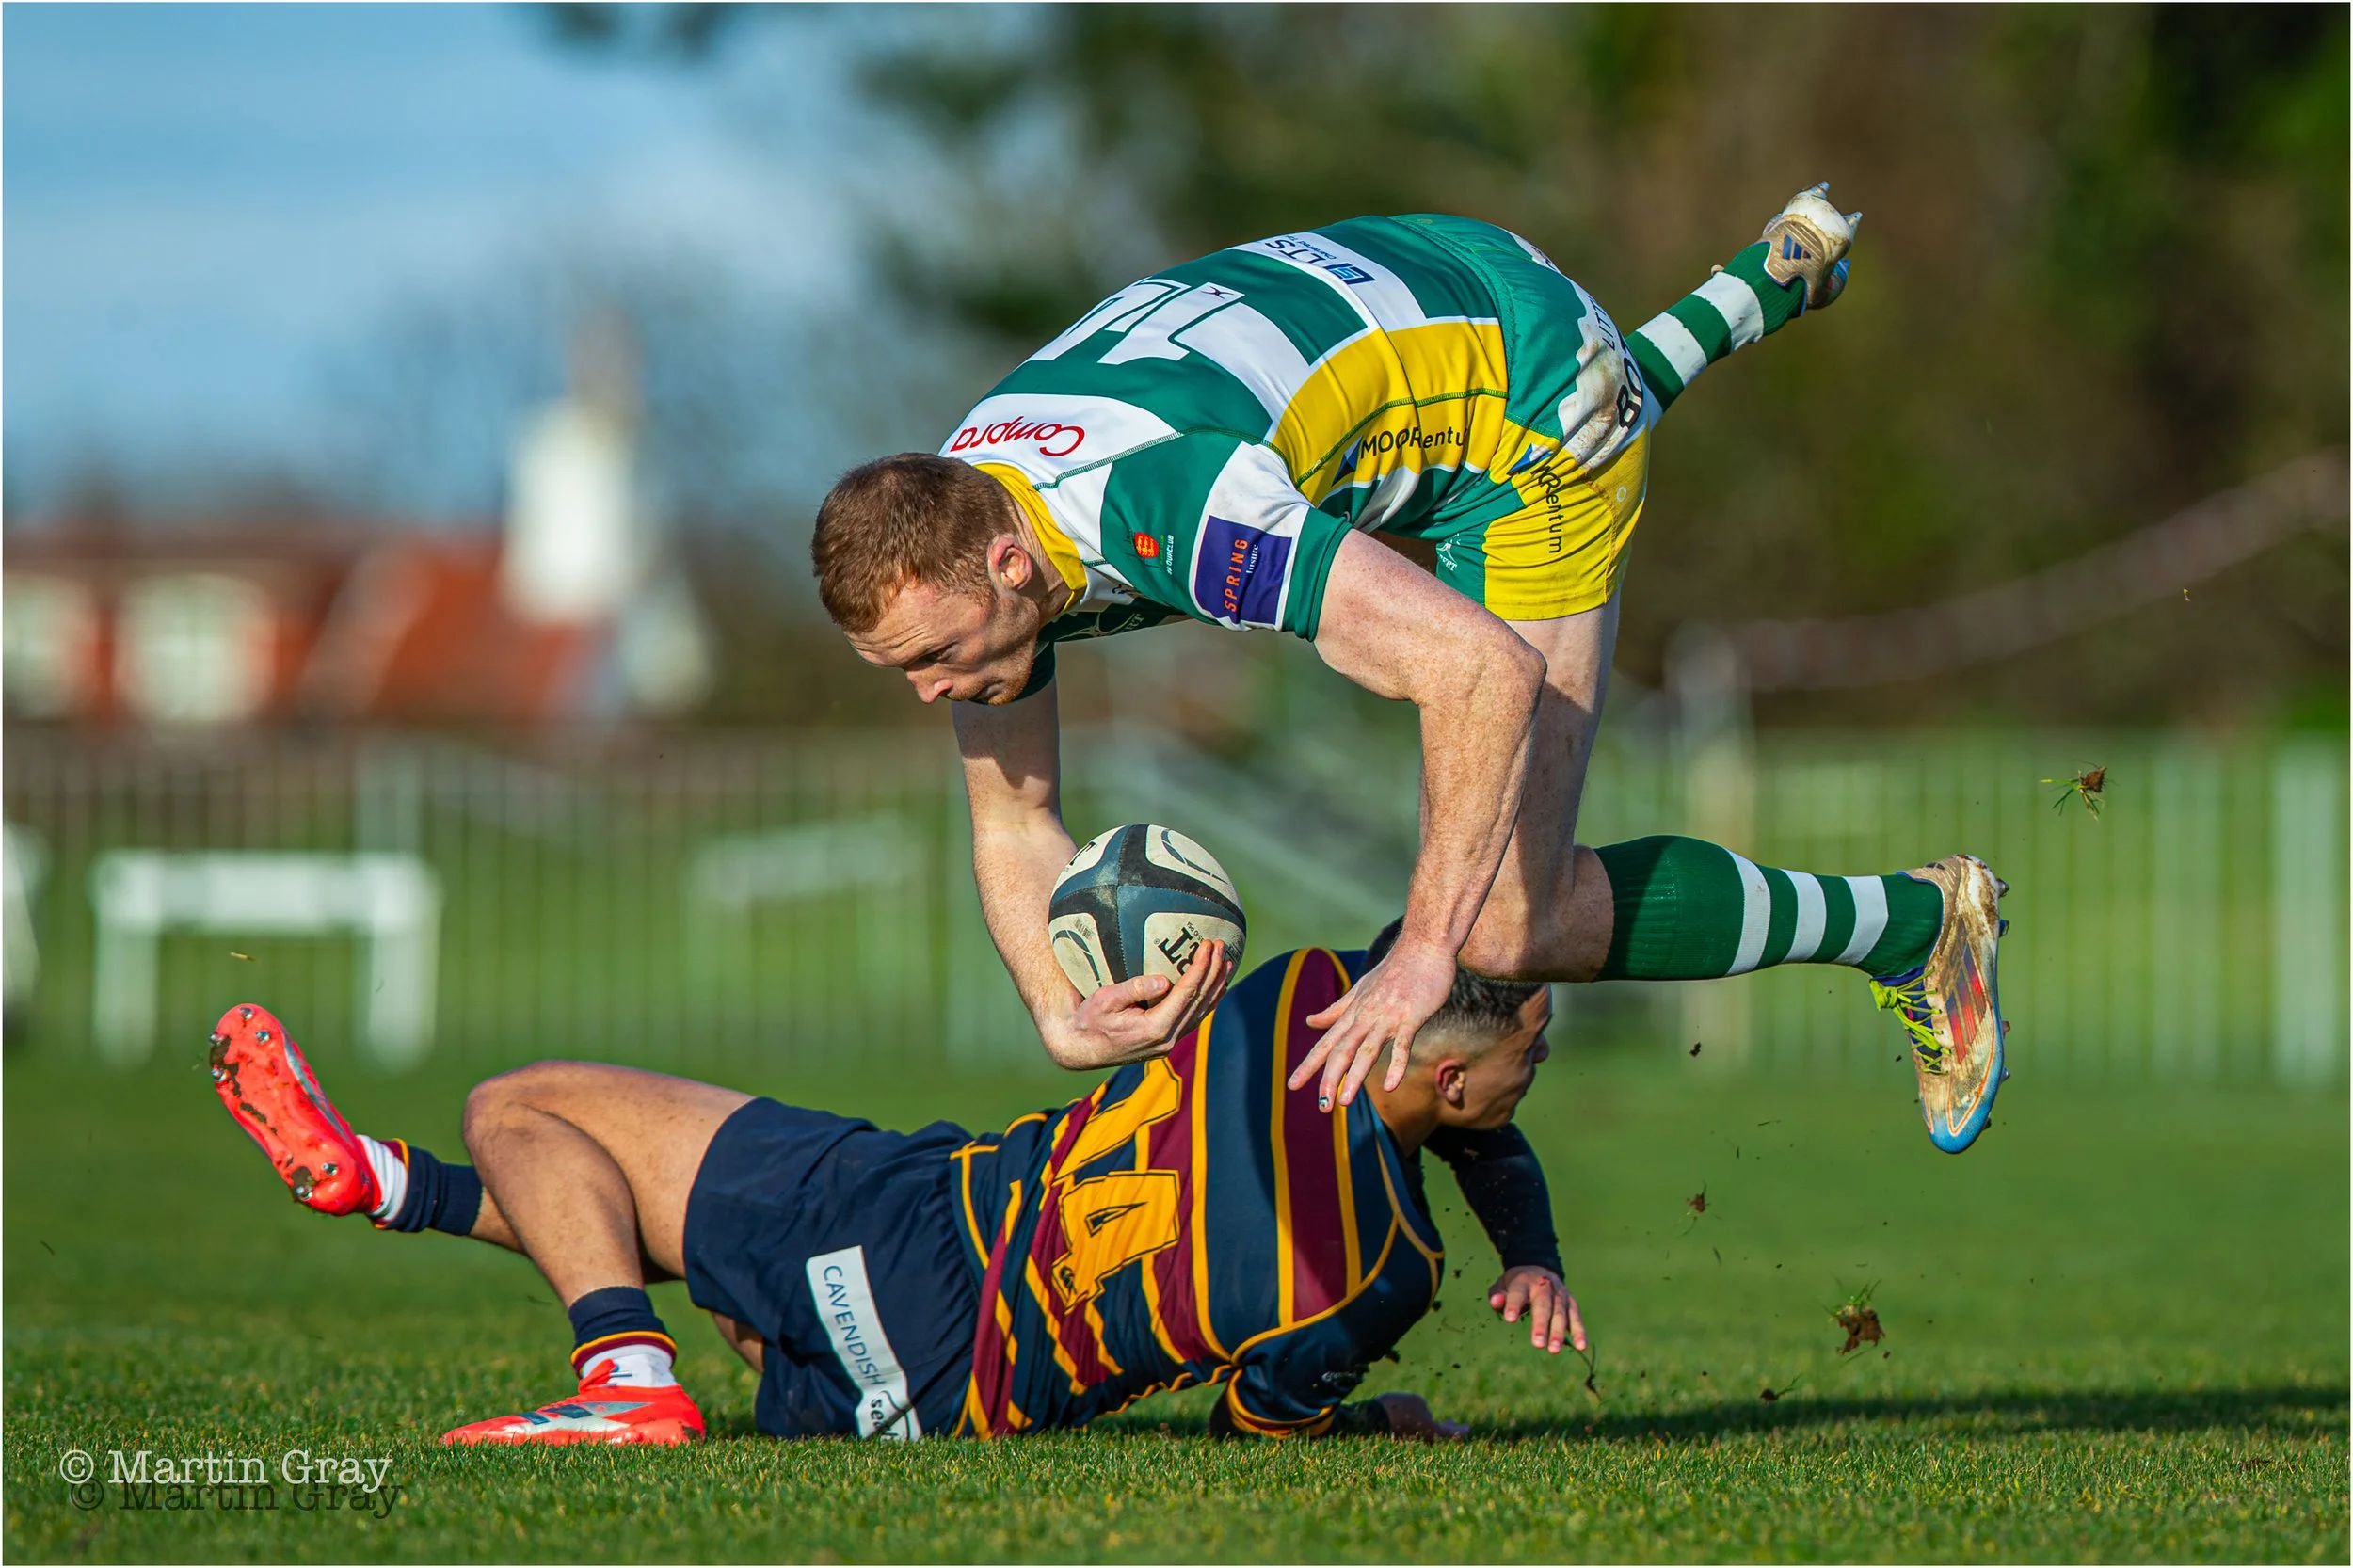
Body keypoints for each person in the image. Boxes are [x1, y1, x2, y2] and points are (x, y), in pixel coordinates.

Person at [809, 186, 2009, 1154]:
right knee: (1500, 426)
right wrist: (1058, 1012)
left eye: (932, 656)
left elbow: (1481, 673)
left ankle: (1918, 926)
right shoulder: (964, 505)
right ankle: (1750, 290)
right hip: (1434, 266)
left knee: (1511, 922)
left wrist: (1425, 952)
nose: (926, 690)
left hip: (1520, 423)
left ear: (1010, 565)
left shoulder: (1176, 510)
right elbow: (1014, 820)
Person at [206, 923, 1573, 1445]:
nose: (1538, 1069)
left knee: (526, 1104)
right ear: (1451, 1083)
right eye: (1533, 1048)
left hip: (918, 1221)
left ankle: (622, 1372)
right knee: (630, 1217)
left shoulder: (1305, 992)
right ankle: (388, 1182)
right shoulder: (1384, 1273)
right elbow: (1256, 1423)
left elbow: (1441, 1063)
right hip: (936, 1402)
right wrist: (1389, 1407)